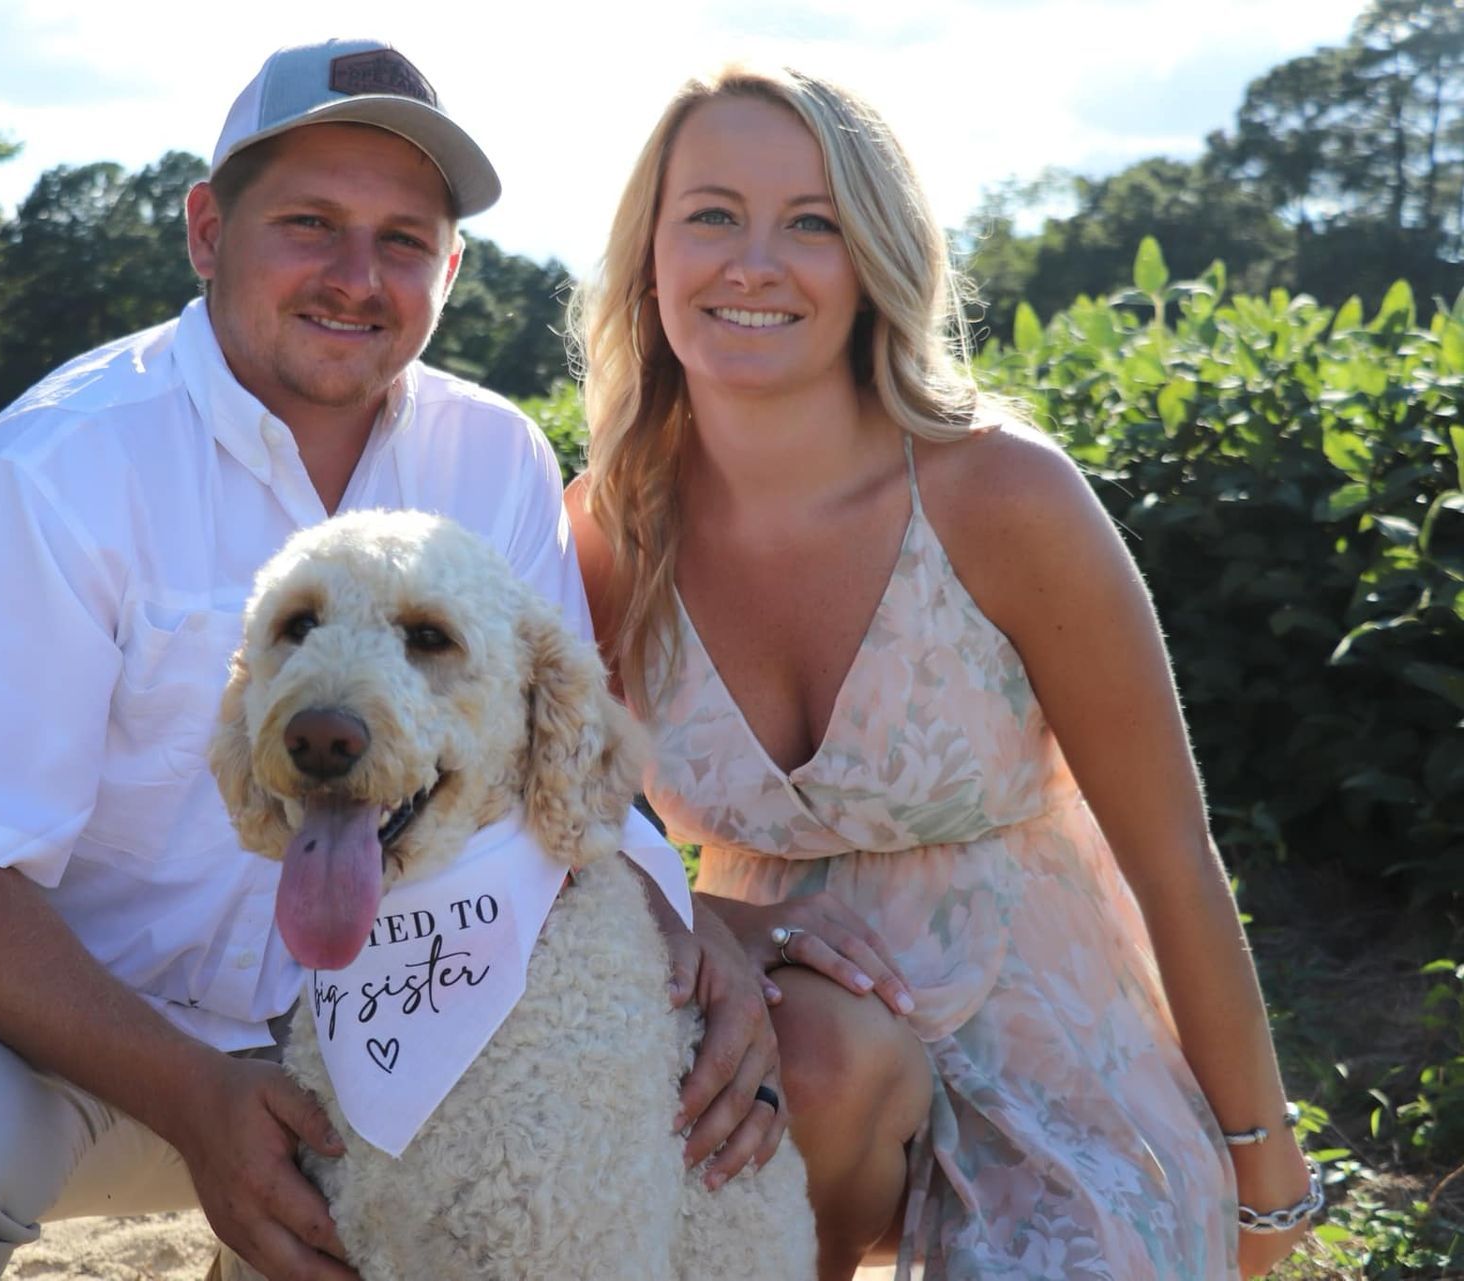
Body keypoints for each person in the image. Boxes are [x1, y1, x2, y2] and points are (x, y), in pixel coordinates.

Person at [0, 39, 782, 1281]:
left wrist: (684, 928)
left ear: (449, 271)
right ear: (206, 230)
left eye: (403, 241)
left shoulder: (493, 459)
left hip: (372, 1022)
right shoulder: (54, 468)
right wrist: (194, 1097)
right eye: (309, 224)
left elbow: (552, 748)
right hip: (36, 1030)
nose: (356, 277)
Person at [564, 65, 1318, 1280]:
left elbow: (1172, 854)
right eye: (711, 214)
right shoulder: (607, 538)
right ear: (649, 253)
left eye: (812, 223)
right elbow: (549, 832)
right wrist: (691, 909)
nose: (753, 263)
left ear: (875, 261)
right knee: (806, 1075)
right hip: (781, 1066)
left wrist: (1266, 1170)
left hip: (1052, 1062)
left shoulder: (1001, 495)